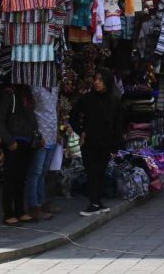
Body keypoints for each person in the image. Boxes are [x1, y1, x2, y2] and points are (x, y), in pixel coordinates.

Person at [70, 69, 124, 217]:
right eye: (96, 79)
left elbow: (118, 124)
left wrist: (116, 145)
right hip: (90, 142)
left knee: (100, 172)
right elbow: (73, 116)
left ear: (107, 81)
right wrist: (81, 131)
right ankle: (94, 202)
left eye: (100, 80)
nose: (96, 82)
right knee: (91, 172)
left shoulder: (114, 101)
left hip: (106, 143)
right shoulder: (87, 99)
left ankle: (97, 202)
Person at [0, 85, 38, 225]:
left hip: (27, 140)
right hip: (14, 141)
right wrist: (9, 140)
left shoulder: (27, 93)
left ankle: (20, 210)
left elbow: (31, 117)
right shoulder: (10, 94)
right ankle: (8, 213)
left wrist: (36, 134)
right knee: (10, 178)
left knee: (21, 178)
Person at [26, 86, 59, 221]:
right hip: (41, 136)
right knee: (36, 172)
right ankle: (34, 206)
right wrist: (36, 134)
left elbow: (55, 109)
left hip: (52, 133)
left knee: (43, 172)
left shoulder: (55, 88)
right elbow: (31, 112)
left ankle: (42, 202)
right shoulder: (36, 88)